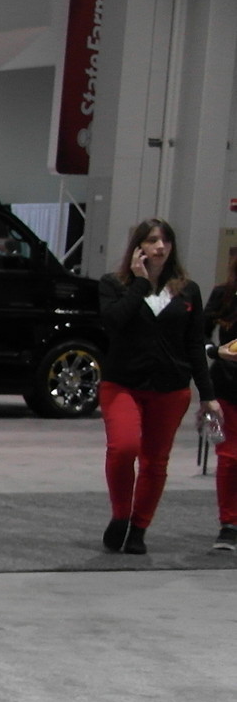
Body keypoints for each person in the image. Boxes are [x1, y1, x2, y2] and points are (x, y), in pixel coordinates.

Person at [95, 218, 214, 554]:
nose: (160, 247)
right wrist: (139, 284)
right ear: (138, 247)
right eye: (151, 241)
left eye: (165, 241)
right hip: (123, 384)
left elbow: (194, 344)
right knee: (124, 448)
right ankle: (120, 516)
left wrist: (208, 396)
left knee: (155, 461)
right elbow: (113, 323)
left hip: (171, 388)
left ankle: (139, 528)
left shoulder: (188, 290)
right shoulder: (113, 284)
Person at [202, 246, 237, 553]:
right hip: (226, 386)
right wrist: (216, 352)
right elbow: (197, 339)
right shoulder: (222, 295)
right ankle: (229, 525)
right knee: (228, 458)